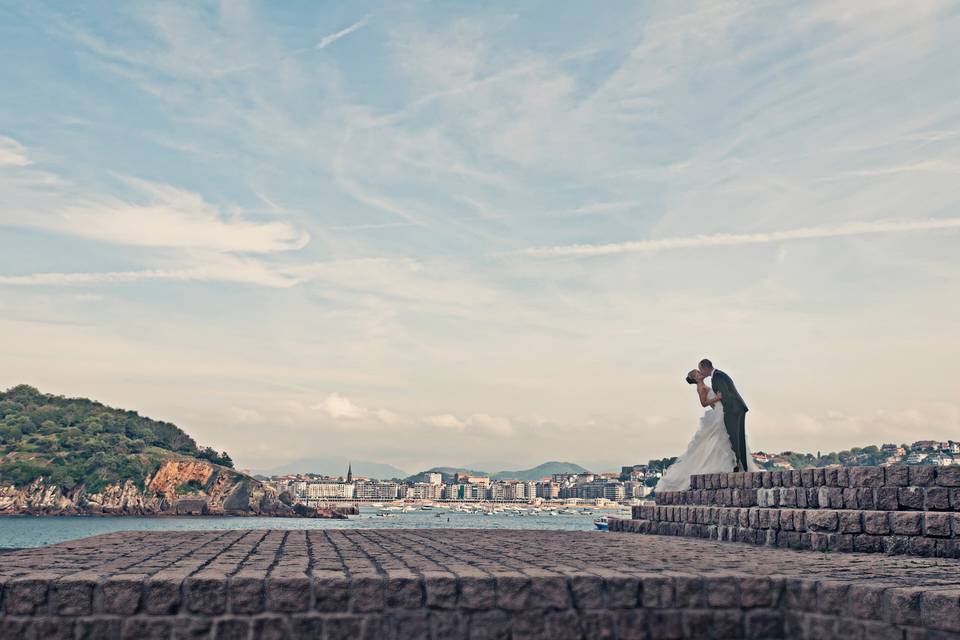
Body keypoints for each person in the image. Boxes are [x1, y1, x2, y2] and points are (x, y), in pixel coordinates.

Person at [654, 365, 756, 493]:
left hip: (720, 411)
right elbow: (703, 403)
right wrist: (717, 398)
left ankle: (736, 463)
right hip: (719, 412)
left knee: (726, 437)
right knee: (721, 438)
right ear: (696, 379)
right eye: (697, 374)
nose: (700, 374)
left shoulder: (709, 383)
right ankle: (731, 464)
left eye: (699, 372)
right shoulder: (700, 387)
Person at [698, 358, 749, 472]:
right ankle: (741, 465)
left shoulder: (717, 377)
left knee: (734, 438)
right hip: (738, 408)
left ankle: (738, 465)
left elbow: (726, 396)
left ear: (706, 367)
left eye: (701, 369)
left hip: (733, 410)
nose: (701, 372)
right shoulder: (719, 374)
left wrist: (725, 412)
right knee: (738, 438)